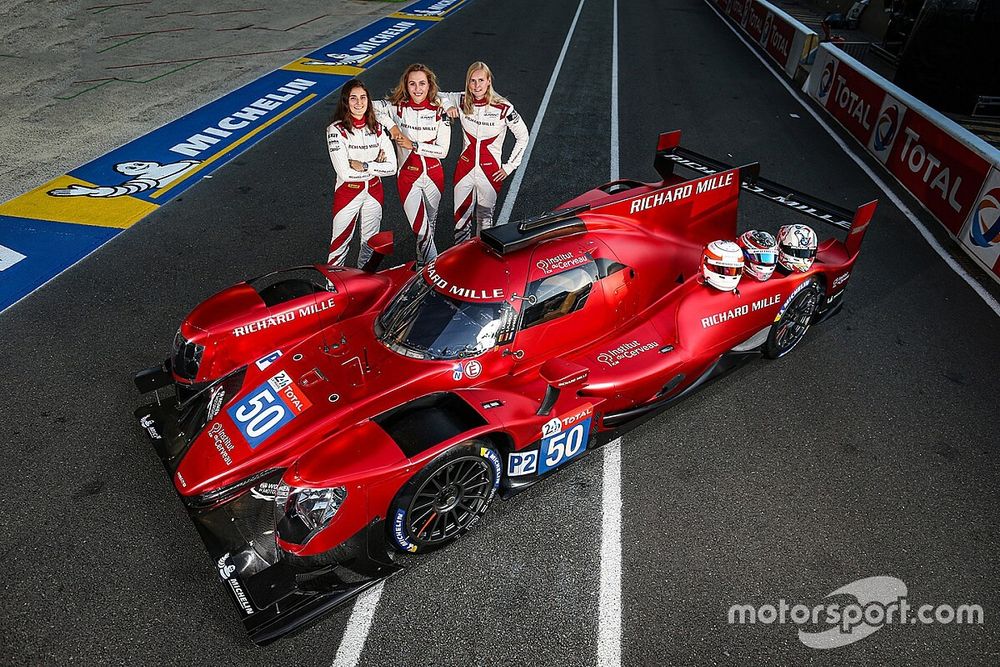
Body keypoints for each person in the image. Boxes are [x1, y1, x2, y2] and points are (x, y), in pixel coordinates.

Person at [442, 62, 529, 243]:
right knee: (461, 220)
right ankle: (462, 262)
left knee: (485, 222)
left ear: (489, 81)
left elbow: (523, 136)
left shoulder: (504, 108)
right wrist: (447, 105)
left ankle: (481, 263)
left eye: (481, 80)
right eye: (472, 81)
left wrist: (510, 166)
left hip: (490, 173)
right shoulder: (461, 100)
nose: (476, 85)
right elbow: (436, 94)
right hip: (464, 170)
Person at [373, 64, 451, 265]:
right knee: (421, 228)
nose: (417, 89)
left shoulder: (439, 111)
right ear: (406, 86)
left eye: (422, 83)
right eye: (412, 84)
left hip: (435, 176)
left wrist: (414, 145)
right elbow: (370, 107)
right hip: (408, 178)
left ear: (429, 85)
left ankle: (421, 265)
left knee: (429, 226)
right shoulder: (396, 107)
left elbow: (443, 151)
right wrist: (392, 126)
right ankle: (435, 268)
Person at [326, 78, 397, 267]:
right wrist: (376, 167)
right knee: (339, 245)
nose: (359, 103)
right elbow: (345, 173)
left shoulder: (378, 128)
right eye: (353, 98)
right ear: (345, 102)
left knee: (370, 244)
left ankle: (365, 287)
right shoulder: (336, 130)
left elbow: (392, 167)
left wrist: (366, 166)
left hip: (374, 193)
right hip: (348, 193)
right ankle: (333, 289)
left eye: (363, 97)